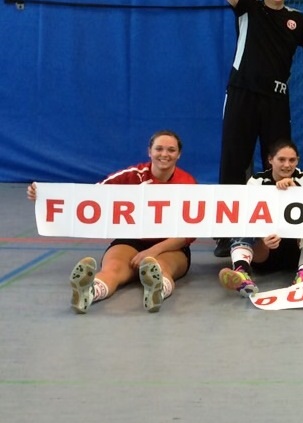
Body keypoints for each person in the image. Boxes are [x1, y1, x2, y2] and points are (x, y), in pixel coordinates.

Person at [211, 0, 303, 255]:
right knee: (234, 163)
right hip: (242, 95)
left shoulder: (297, 21)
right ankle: (228, 235)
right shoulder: (247, 7)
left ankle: (280, 233)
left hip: (276, 100)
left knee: (280, 165)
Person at [26, 130, 195, 314]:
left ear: (179, 154)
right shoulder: (132, 175)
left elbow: (187, 234)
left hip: (169, 246)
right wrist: (46, 197)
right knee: (112, 270)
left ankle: (157, 291)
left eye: (171, 150)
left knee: (160, 269)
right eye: (159, 149)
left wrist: (152, 252)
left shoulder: (187, 183)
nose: (164, 154)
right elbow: (90, 197)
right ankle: (90, 292)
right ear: (149, 151)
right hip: (130, 241)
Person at [218, 139, 303, 296]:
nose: (287, 165)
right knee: (240, 223)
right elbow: (249, 215)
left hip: (298, 248)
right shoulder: (256, 182)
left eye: (292, 160)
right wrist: (262, 238)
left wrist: (295, 191)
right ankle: (242, 272)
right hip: (267, 250)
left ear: (298, 161)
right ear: (270, 160)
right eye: (281, 159)